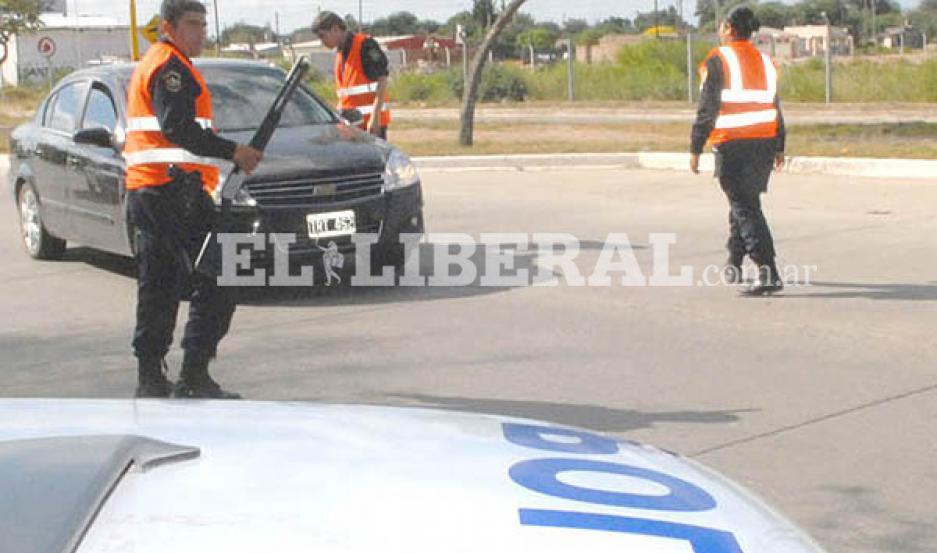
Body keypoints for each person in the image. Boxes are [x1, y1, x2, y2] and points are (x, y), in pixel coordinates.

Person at [124, 0, 263, 398]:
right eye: (192, 24)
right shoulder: (170, 67)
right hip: (168, 191)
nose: (201, 32)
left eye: (203, 24)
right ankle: (192, 374)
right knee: (221, 272)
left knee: (161, 284)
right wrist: (234, 152)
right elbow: (178, 128)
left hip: (160, 190)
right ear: (168, 26)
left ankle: (154, 378)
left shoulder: (165, 62)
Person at [690, 6, 786, 296]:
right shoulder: (766, 61)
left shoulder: (718, 59)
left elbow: (708, 108)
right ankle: (734, 259)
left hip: (733, 144)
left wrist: (695, 146)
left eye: (722, 25)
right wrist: (779, 145)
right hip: (764, 143)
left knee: (745, 207)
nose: (720, 29)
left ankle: (768, 271)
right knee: (744, 202)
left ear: (730, 29)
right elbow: (775, 106)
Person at [313, 11, 391, 139]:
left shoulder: (365, 45)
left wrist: (375, 117)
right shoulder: (341, 53)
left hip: (370, 124)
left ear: (335, 29)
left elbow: (382, 79)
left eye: (323, 36)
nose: (322, 42)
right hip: (351, 125)